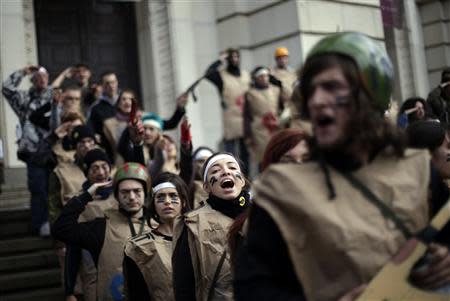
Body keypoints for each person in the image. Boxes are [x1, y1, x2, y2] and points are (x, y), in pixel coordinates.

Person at [234, 32, 450, 301]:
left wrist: (445, 256)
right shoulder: (281, 190)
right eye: (312, 90)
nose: (317, 100)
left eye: (333, 87)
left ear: (371, 96)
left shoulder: (417, 169)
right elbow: (252, 291)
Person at [52, 162, 152, 301]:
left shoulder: (158, 226)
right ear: (116, 196)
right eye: (125, 192)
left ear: (145, 193)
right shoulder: (100, 228)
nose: (132, 197)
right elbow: (61, 229)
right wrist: (86, 196)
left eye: (137, 191)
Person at [173, 152, 251, 301]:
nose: (226, 171)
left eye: (232, 167)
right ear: (206, 187)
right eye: (215, 171)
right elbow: (184, 285)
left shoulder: (263, 216)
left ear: (242, 181)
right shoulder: (192, 224)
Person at [2, 65, 54, 236]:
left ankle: (53, 223)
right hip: (33, 153)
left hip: (55, 151)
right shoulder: (25, 99)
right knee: (38, 188)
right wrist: (23, 72)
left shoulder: (55, 96)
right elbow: (7, 89)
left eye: (44, 77)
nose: (41, 80)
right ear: (32, 80)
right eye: (37, 77)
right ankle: (38, 225)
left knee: (54, 189)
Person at [123, 172, 190, 301]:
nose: (167, 202)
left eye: (173, 196)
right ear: (153, 204)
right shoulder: (138, 247)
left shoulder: (198, 238)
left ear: (184, 201)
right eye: (160, 197)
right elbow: (136, 294)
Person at [205, 48, 251, 174]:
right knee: (230, 153)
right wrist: (220, 61)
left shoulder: (246, 75)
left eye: (237, 57)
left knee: (246, 154)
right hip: (230, 120)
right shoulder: (221, 76)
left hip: (247, 118)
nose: (235, 60)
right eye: (232, 57)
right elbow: (208, 74)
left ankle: (245, 179)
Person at [243, 66, 288, 168]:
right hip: (259, 131)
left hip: (276, 128)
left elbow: (286, 106)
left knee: (279, 156)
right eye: (261, 76)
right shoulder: (250, 94)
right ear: (256, 78)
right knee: (263, 159)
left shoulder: (276, 90)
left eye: (266, 76)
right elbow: (247, 116)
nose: (264, 78)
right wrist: (247, 135)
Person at [103, 89, 141, 165]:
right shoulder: (109, 123)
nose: (127, 102)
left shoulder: (144, 118)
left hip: (142, 159)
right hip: (122, 163)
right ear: (118, 104)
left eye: (130, 99)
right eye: (123, 99)